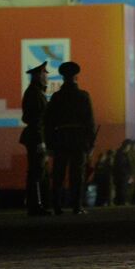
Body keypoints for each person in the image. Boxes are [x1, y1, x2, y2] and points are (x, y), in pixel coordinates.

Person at [45, 61, 95, 215]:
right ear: (76, 77)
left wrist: (49, 143)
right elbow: (90, 121)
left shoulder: (56, 97)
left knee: (58, 174)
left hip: (60, 139)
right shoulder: (83, 96)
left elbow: (48, 122)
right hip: (78, 139)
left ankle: (57, 206)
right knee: (77, 175)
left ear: (63, 77)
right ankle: (77, 206)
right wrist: (90, 143)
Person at [19, 61, 51, 216]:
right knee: (37, 172)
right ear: (39, 75)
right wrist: (41, 141)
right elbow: (36, 120)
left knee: (38, 171)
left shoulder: (35, 92)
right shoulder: (34, 93)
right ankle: (35, 205)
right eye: (45, 74)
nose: (47, 77)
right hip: (36, 137)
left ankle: (38, 204)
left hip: (35, 137)